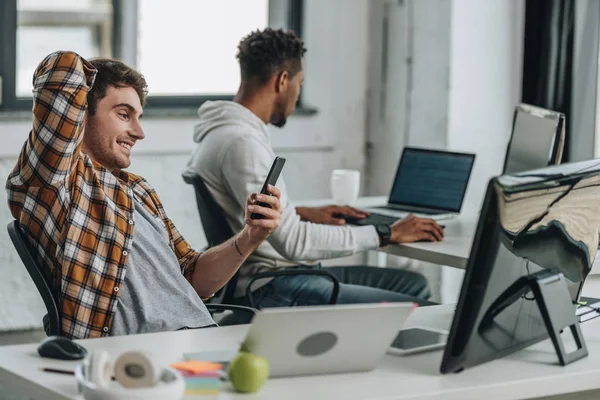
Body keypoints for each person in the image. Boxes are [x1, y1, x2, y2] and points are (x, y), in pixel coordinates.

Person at [6, 51, 282, 339]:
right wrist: (101, 74)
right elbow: (62, 69)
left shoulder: (139, 190)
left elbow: (193, 277)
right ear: (82, 111)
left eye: (138, 117)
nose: (138, 132)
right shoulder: (54, 184)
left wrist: (251, 235)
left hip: (199, 338)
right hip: (144, 356)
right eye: (124, 114)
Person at [186, 28, 444, 309]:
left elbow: (248, 213)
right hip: (270, 284)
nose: (298, 95)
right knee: (425, 311)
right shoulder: (242, 142)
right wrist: (386, 232)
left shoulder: (223, 133)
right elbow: (294, 242)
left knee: (413, 284)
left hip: (276, 274)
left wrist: (302, 213)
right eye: (300, 83)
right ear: (283, 80)